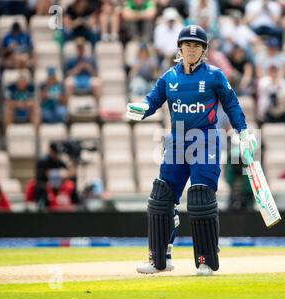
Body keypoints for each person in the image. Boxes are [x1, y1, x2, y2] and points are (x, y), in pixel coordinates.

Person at [126, 25, 257, 276]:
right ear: (180, 48)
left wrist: (243, 132)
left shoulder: (215, 76)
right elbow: (152, 101)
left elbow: (231, 104)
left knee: (200, 198)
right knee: (161, 198)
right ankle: (159, 260)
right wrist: (141, 108)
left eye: (197, 45)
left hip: (205, 140)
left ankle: (206, 260)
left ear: (204, 50)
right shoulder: (169, 78)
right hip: (176, 142)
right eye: (187, 44)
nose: (192, 49)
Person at [64, 37, 101, 104]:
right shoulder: (71, 60)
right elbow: (67, 75)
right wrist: (78, 69)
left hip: (88, 79)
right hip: (76, 79)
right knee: (68, 83)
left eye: (81, 47)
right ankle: (68, 106)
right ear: (76, 48)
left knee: (97, 83)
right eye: (79, 48)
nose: (80, 49)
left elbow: (96, 75)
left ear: (84, 48)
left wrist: (89, 68)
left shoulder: (91, 60)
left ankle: (98, 106)